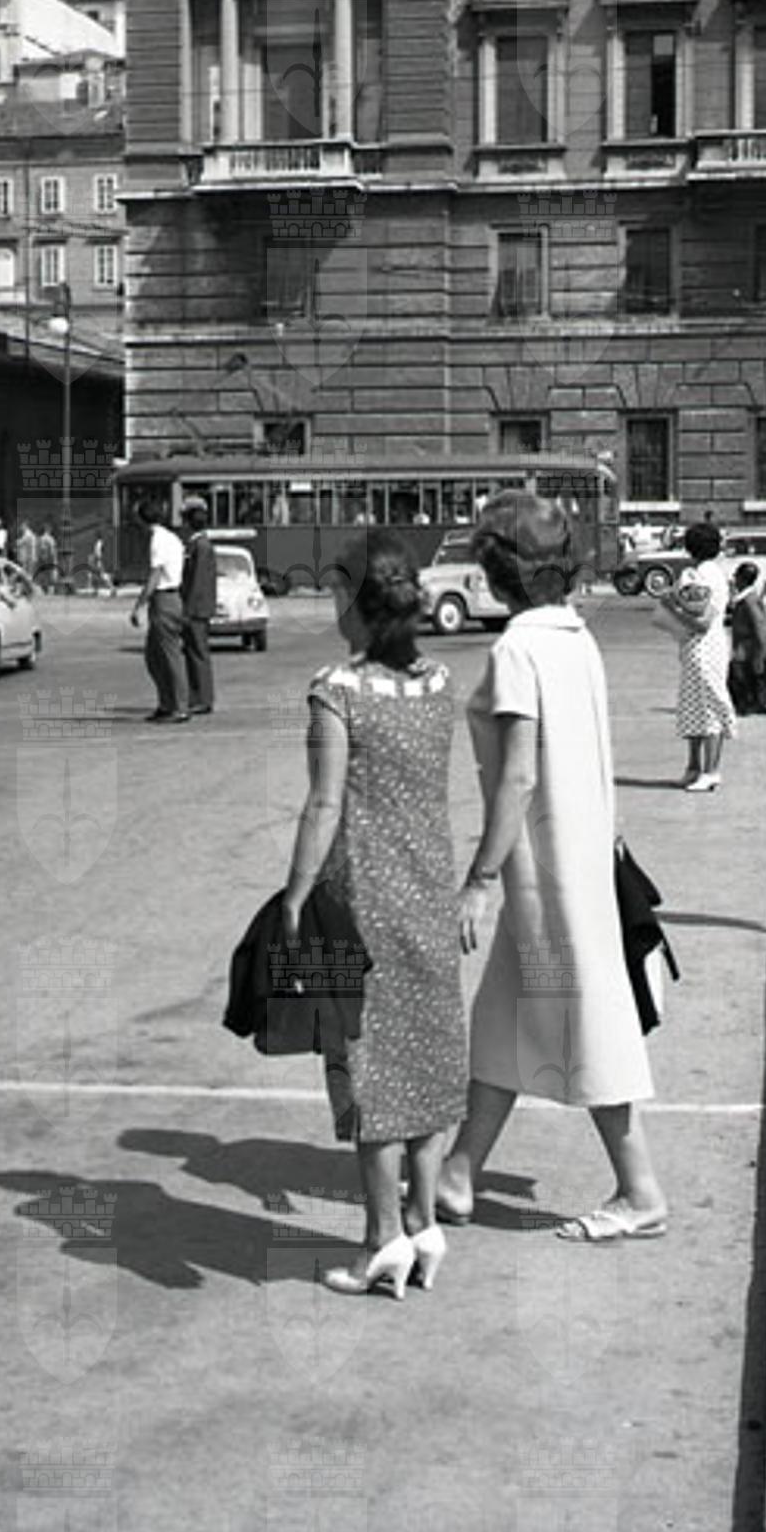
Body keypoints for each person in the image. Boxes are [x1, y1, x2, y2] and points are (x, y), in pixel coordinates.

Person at [436, 493, 667, 1243]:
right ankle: (459, 1173)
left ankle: (639, 1192)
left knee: (583, 1020)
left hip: (545, 874)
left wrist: (478, 880)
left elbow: (518, 775)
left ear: (496, 571)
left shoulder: (517, 649)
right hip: (574, 860)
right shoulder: (575, 636)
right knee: (504, 1018)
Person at [281, 533, 466, 1298]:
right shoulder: (439, 684)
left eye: (334, 591)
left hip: (356, 904)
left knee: (366, 1072)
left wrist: (294, 894)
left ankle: (380, 1239)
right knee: (425, 1065)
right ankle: (423, 1223)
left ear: (356, 602)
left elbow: (323, 804)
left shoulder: (336, 689)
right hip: (430, 896)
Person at [655, 520, 735, 792]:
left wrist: (672, 607)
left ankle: (710, 770)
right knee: (694, 705)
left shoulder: (703, 576)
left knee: (708, 706)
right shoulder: (711, 573)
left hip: (703, 645)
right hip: (701, 646)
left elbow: (702, 621)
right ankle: (694, 768)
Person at [128, 498, 189, 722]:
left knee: (170, 656)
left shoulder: (158, 540)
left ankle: (179, 706)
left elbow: (155, 575)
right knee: (154, 656)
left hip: (165, 598)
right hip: (168, 598)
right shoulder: (170, 537)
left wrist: (139, 605)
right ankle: (166, 702)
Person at [180, 497, 218, 716]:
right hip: (197, 607)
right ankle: (197, 695)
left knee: (197, 653)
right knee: (193, 652)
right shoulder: (198, 544)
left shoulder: (200, 545)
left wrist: (188, 610)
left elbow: (197, 581)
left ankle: (202, 698)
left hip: (196, 609)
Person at [726, 561, 766, 717]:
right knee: (748, 678)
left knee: (742, 677)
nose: (734, 580)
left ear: (742, 579)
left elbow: (760, 627)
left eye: (736, 577)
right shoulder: (746, 599)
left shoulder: (749, 601)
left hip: (749, 649)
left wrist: (759, 654)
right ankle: (754, 703)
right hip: (748, 648)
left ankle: (749, 705)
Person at [34, 525, 59, 592]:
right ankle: (50, 593)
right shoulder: (51, 539)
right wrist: (54, 560)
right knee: (51, 578)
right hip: (50, 560)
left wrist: (41, 558)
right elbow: (52, 551)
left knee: (43, 577)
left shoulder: (40, 539)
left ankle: (43, 591)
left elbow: (39, 550)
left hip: (42, 561)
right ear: (49, 530)